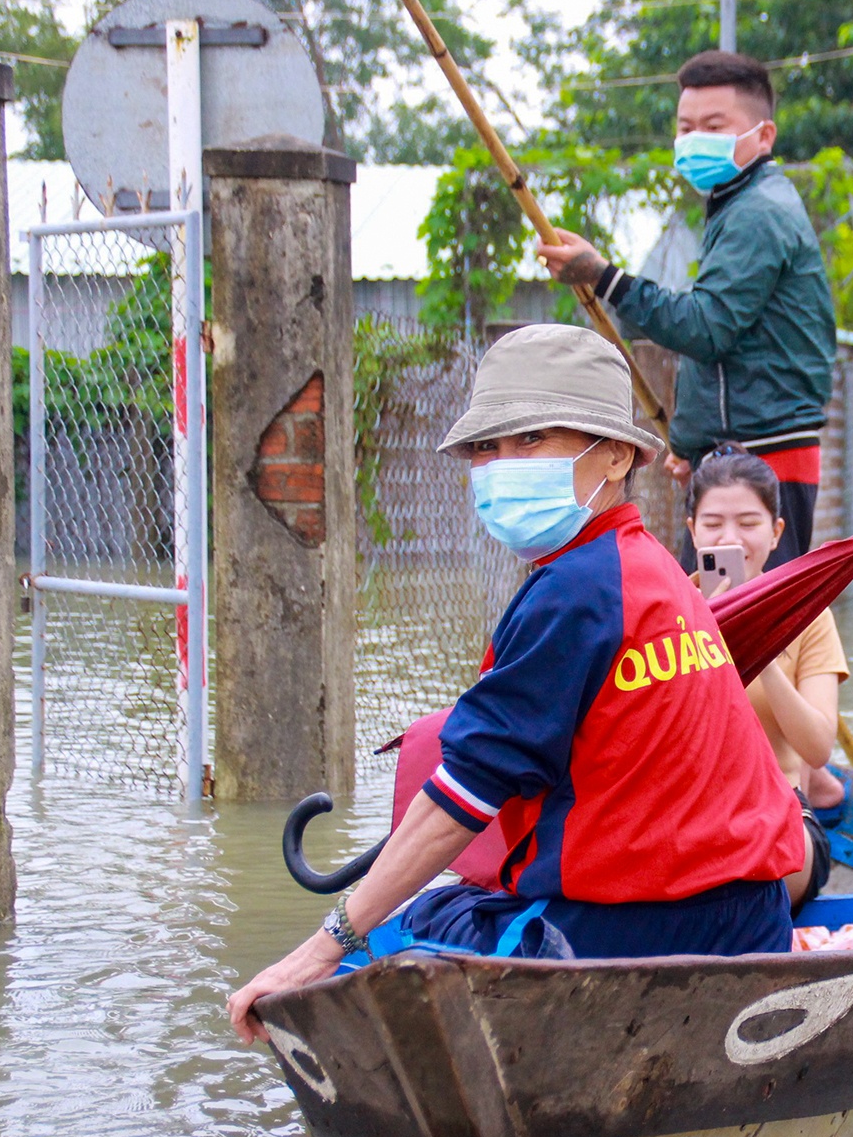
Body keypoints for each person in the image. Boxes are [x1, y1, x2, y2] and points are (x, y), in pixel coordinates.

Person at [228, 326, 804, 1044]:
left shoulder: (574, 590)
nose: (500, 467)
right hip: (757, 924)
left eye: (529, 440)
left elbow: (460, 802)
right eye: (484, 449)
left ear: (617, 454)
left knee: (409, 931)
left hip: (634, 938)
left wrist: (320, 948)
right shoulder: (655, 571)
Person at [536, 50, 836, 570]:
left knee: (735, 634)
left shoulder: (757, 214)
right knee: (712, 628)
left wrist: (604, 277)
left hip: (757, 469)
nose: (695, 138)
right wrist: (701, 452)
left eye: (714, 126)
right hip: (735, 462)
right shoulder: (737, 205)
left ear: (764, 136)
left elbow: (706, 327)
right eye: (686, 126)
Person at [686, 445, 846, 906]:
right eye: (714, 524)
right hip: (688, 818)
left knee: (743, 878)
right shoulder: (664, 612)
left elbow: (817, 747)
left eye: (749, 523)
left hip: (781, 818)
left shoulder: (807, 615)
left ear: (776, 533)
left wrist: (762, 652)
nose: (731, 539)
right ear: (693, 531)